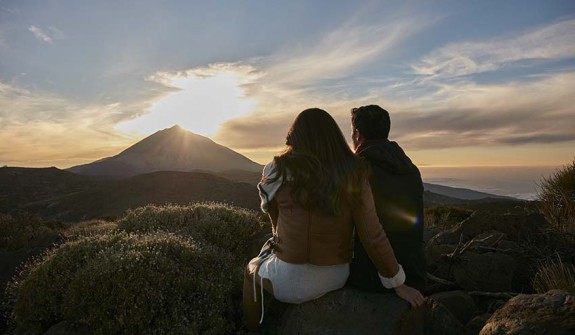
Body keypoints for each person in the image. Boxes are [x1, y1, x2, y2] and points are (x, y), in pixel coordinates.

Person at [243, 108, 424, 330]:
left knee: (251, 270)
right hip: (336, 275)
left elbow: (275, 223)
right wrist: (398, 283)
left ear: (295, 135)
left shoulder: (275, 170)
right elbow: (372, 234)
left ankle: (251, 327)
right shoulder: (355, 172)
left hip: (288, 279)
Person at [347, 104, 427, 293]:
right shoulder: (409, 168)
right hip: (414, 272)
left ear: (357, 135)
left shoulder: (358, 171)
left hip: (373, 276)